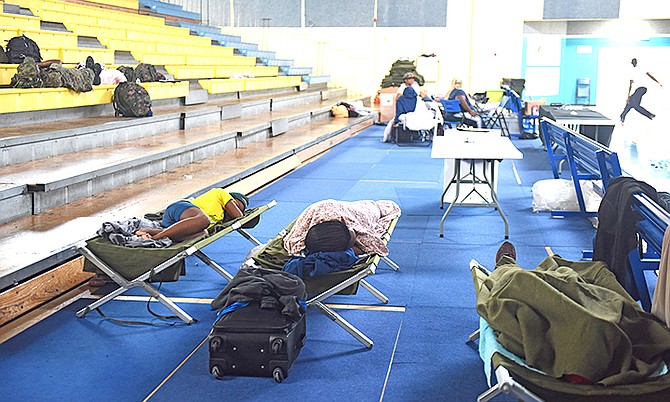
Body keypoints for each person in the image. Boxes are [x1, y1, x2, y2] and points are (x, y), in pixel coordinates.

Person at [136, 188, 247, 242]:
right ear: (231, 199)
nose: (234, 210)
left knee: (204, 233)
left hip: (175, 226)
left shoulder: (220, 218)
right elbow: (239, 216)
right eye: (235, 205)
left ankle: (148, 231)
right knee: (204, 220)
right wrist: (237, 212)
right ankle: (156, 238)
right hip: (179, 209)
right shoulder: (220, 193)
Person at [620, 57, 662, 124]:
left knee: (632, 102)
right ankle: (622, 116)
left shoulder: (641, 69)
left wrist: (657, 82)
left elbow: (650, 75)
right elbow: (630, 85)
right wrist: (628, 96)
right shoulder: (632, 72)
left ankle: (623, 115)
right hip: (638, 90)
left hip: (642, 89)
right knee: (634, 104)